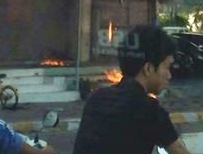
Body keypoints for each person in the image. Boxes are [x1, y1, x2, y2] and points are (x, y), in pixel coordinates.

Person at [73, 24, 192, 154]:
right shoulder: (149, 110)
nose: (169, 75)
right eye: (167, 67)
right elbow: (179, 150)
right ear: (148, 68)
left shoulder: (96, 98)